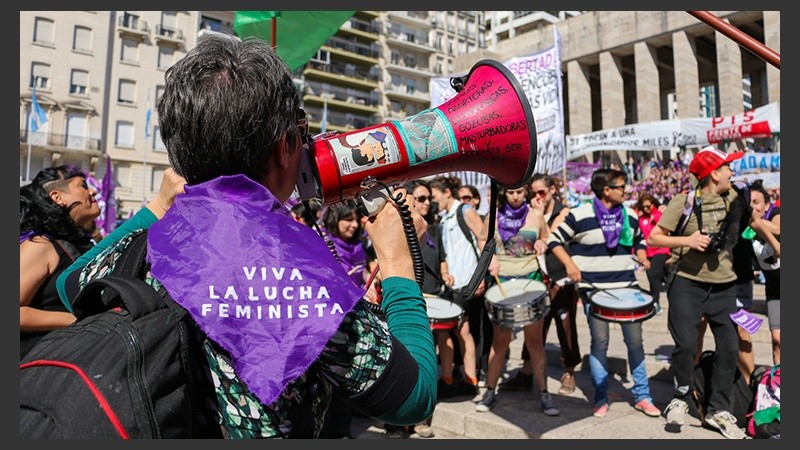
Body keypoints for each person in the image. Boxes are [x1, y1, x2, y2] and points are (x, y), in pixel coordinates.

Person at [58, 34, 436, 438]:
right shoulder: (294, 270)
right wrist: (398, 263)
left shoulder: (161, 231)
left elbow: (72, 284)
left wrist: (158, 204)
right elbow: (412, 396)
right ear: (283, 145)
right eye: (301, 130)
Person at [646, 145, 748, 439]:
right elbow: (654, 237)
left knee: (729, 347)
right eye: (727, 166)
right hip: (687, 283)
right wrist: (687, 240)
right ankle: (681, 396)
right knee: (687, 345)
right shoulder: (685, 200)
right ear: (714, 174)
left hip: (725, 286)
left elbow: (752, 222)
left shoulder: (734, 198)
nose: (732, 171)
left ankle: (718, 410)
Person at [547, 168, 661, 420]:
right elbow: (554, 240)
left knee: (635, 344)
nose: (626, 191)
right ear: (606, 190)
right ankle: (601, 396)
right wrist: (570, 264)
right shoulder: (580, 215)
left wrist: (642, 256)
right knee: (600, 344)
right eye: (621, 186)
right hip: (594, 290)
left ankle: (643, 396)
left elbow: (640, 240)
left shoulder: (629, 215)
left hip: (627, 289)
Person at [474, 184, 559, 416]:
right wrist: (489, 259)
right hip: (503, 283)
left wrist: (542, 242)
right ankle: (490, 391)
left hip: (531, 279)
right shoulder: (494, 214)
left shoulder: (536, 214)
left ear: (526, 192)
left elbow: (546, 237)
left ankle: (544, 394)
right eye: (511, 192)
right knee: (500, 341)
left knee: (535, 342)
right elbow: (483, 240)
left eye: (519, 192)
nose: (515, 196)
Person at [383, 179, 453, 439]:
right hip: (407, 298)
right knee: (400, 357)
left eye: (427, 199)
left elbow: (442, 259)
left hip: (430, 296)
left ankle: (422, 418)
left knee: (426, 358)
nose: (425, 204)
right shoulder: (397, 227)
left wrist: (447, 275)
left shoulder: (433, 229)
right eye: (419, 199)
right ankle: (395, 423)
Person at [502, 173, 580, 396]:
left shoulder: (562, 211)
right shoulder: (529, 212)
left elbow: (550, 236)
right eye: (533, 192)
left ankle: (569, 372)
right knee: (534, 327)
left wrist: (538, 215)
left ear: (552, 191)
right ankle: (527, 373)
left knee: (566, 325)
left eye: (541, 192)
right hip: (536, 278)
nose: (537, 196)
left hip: (560, 276)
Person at [20, 164, 100, 359]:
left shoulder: (78, 245)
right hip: (37, 374)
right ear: (58, 197)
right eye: (82, 185)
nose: (93, 191)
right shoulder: (39, 245)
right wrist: (79, 320)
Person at [430, 175, 495, 398]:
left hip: (468, 283)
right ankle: (451, 377)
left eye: (435, 196)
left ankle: (470, 379)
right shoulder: (444, 218)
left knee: (462, 330)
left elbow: (484, 239)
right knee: (451, 330)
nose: (433, 200)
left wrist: (481, 276)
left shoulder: (465, 211)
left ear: (447, 193)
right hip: (453, 284)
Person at [747, 180, 780, 365]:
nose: (753, 207)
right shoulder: (745, 228)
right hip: (775, 290)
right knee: (777, 340)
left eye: (757, 202)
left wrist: (756, 222)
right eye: (749, 203)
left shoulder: (775, 214)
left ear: (767, 204)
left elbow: (778, 228)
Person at [635, 193, 671, 315]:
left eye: (648, 206)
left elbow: (666, 226)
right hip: (648, 252)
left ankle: (655, 302)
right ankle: (655, 301)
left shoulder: (660, 215)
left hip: (662, 249)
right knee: (652, 275)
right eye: (643, 207)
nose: (646, 209)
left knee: (654, 272)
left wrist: (654, 215)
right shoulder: (641, 219)